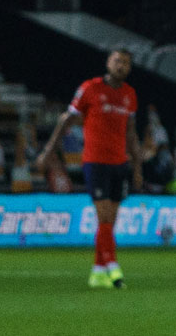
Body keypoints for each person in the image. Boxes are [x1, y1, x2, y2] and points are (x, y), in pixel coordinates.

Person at [31, 46, 139, 289]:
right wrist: (48, 152)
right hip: (96, 161)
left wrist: (138, 164)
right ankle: (112, 266)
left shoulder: (130, 94)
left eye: (126, 63)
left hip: (120, 163)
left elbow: (131, 132)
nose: (121, 65)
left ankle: (97, 271)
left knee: (110, 220)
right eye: (117, 60)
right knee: (103, 217)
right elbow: (65, 119)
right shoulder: (90, 88)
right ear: (108, 63)